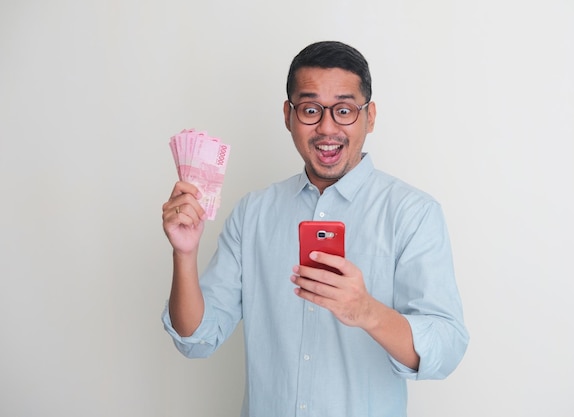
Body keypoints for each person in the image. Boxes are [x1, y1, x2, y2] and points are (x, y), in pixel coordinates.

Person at [161, 40, 469, 417]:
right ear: (288, 115)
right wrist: (185, 254)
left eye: (344, 110)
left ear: (369, 117)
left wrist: (367, 311)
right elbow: (196, 338)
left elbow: (446, 346)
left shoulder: (413, 213)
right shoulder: (253, 213)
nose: (327, 128)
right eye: (310, 110)